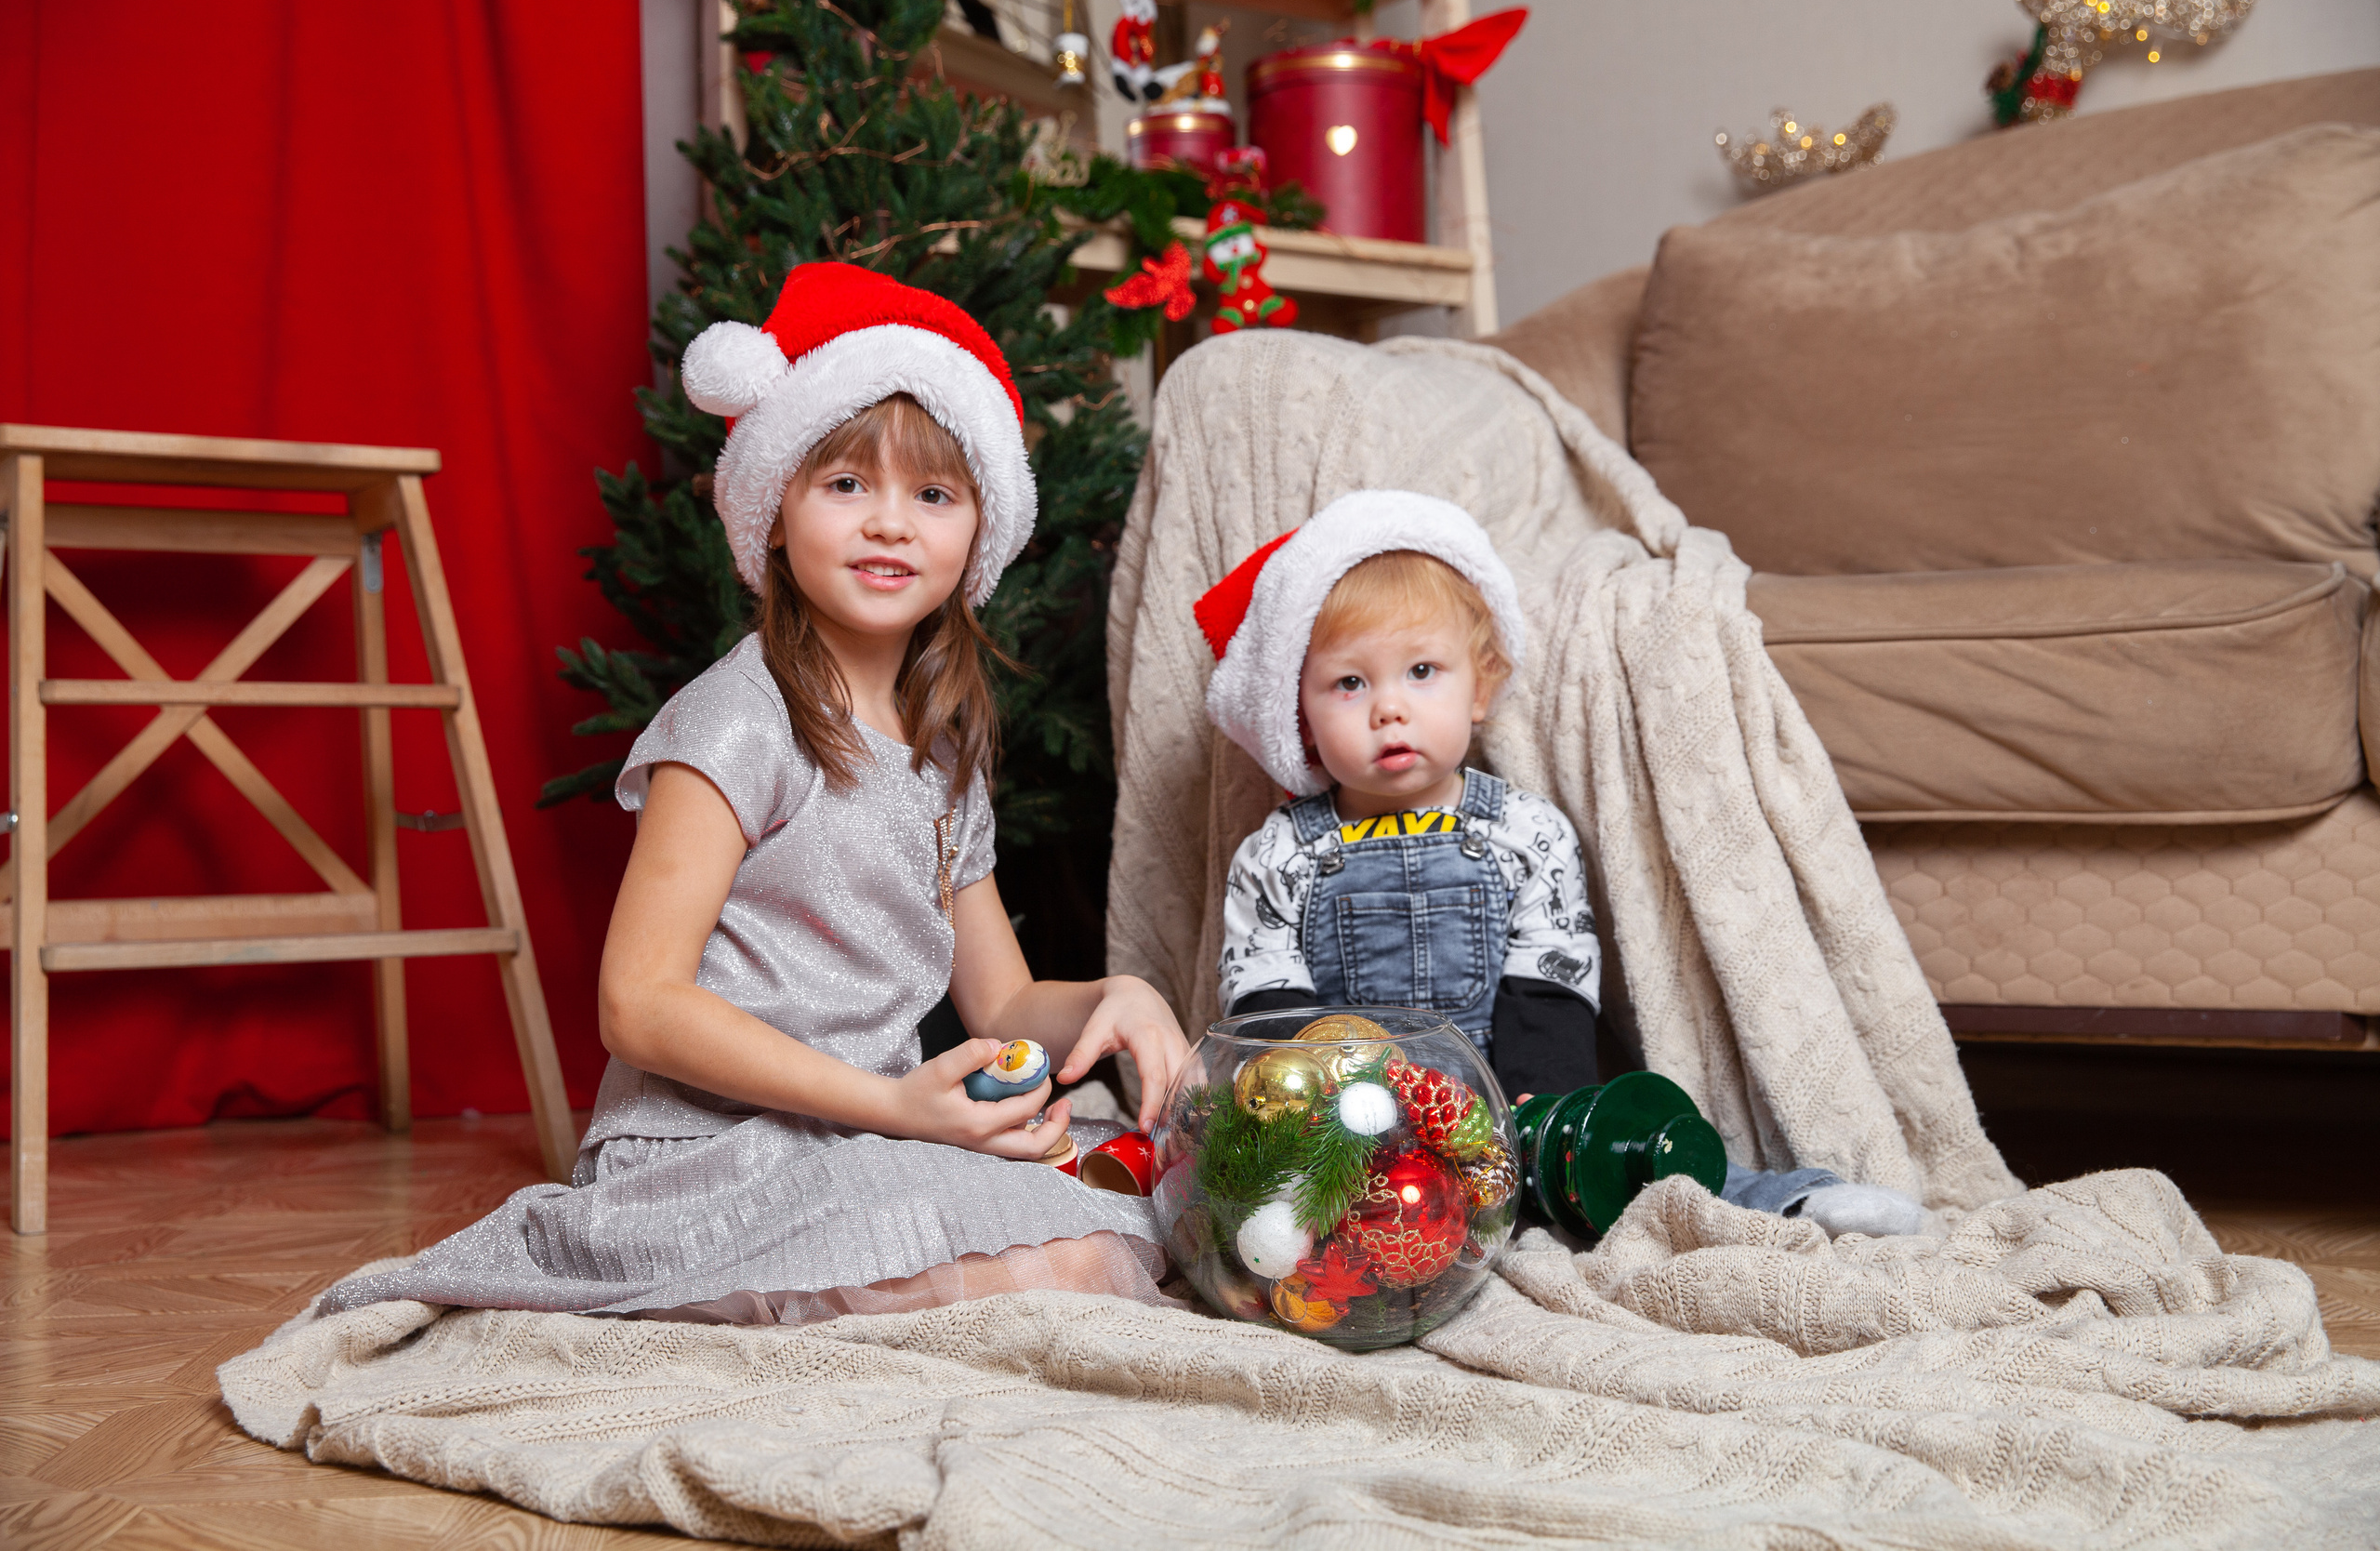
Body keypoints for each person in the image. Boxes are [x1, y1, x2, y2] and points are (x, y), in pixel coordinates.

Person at [320, 263, 1187, 1324]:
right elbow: (637, 1004)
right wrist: (892, 1106)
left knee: (1138, 1200)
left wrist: (1114, 997)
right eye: (845, 485)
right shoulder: (737, 721)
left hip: (868, 1130)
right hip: (713, 1146)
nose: (889, 525)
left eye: (931, 494)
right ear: (772, 511)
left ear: (977, 537)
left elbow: (1001, 1006)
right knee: (1059, 1259)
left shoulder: (945, 753)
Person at [1198, 491, 1924, 1239]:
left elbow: (1550, 983)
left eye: (1421, 670)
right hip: (1347, 1127)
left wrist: (1533, 1122)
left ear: (1480, 686)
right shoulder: (1280, 853)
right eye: (1350, 682)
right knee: (1255, 1199)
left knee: (1631, 1160)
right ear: (1301, 715)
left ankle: (1785, 1201)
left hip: (1512, 1103)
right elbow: (1269, 1008)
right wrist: (1352, 1119)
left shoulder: (1524, 831)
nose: (1389, 708)